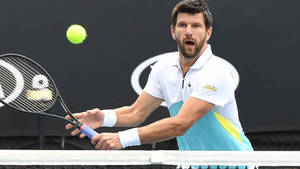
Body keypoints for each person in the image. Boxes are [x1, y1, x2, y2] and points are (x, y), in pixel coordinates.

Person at [65, 0, 253, 152]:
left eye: (196, 26)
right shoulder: (163, 68)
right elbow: (136, 112)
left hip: (236, 165)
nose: (189, 31)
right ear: (173, 31)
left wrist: (122, 139)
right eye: (182, 25)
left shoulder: (216, 72)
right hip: (192, 164)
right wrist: (103, 118)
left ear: (208, 32)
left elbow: (181, 124)